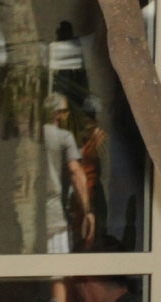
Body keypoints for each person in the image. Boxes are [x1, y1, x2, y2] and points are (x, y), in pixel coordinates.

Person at [43, 93, 94, 254]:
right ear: (56, 113)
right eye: (65, 111)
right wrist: (87, 210)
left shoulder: (29, 136)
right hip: (55, 216)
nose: (67, 115)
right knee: (57, 274)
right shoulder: (64, 137)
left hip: (30, 216)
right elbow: (76, 171)